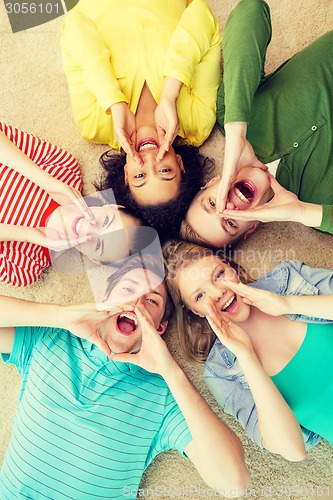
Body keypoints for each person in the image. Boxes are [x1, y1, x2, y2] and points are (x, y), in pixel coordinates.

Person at [0, 254, 249, 499]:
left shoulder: (163, 395)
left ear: (160, 327)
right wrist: (62, 317)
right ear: (106, 298)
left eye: (152, 301)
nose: (136, 303)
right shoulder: (50, 338)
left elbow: (234, 483)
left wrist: (170, 370)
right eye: (128, 290)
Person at [60, 0, 220, 239]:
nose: (149, 160)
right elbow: (201, 13)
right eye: (165, 170)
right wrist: (170, 93)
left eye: (140, 176)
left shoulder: (93, 124)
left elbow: (73, 25)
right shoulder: (198, 121)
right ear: (181, 164)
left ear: (125, 175)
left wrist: (114, 102)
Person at [181, 0, 333, 248]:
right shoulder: (317, 211)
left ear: (211, 184)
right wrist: (301, 212)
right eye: (230, 222)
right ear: (250, 228)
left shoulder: (230, 116)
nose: (228, 207)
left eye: (213, 203)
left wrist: (237, 130)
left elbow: (251, 11)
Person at [164, 240, 333, 459]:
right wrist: (247, 357)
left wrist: (289, 304)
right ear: (195, 312)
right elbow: (292, 450)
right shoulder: (220, 372)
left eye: (218, 275)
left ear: (231, 268)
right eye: (200, 296)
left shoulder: (289, 278)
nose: (217, 292)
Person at [0, 122, 142, 286]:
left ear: (95, 260)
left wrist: (27, 234)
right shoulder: (65, 169)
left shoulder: (26, 267)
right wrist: (46, 181)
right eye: (105, 221)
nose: (89, 228)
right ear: (111, 207)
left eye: (98, 244)